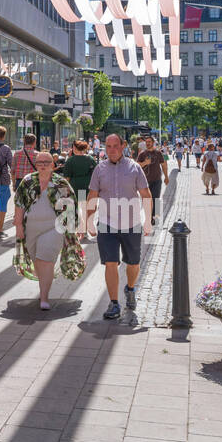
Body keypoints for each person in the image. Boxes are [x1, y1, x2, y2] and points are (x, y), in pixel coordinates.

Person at [86, 134, 152, 320]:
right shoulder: (99, 169)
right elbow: (92, 196)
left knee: (133, 264)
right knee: (111, 263)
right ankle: (114, 303)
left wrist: (148, 220)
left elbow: (145, 195)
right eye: (108, 146)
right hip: (107, 224)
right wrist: (88, 221)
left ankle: (130, 288)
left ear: (123, 146)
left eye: (115, 146)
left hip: (132, 224)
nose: (112, 149)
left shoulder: (134, 167)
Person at [15, 151, 81, 311]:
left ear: (53, 165)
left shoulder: (61, 183)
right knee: (37, 259)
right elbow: (19, 204)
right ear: (35, 165)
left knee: (46, 259)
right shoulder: (28, 181)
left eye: (46, 162)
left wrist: (72, 230)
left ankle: (44, 297)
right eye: (40, 163)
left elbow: (71, 206)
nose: (43, 165)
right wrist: (18, 226)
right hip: (31, 227)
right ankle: (43, 283)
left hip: (54, 227)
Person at [61, 140, 97, 223]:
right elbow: (95, 173)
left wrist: (65, 190)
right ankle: (85, 227)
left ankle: (78, 226)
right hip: (87, 185)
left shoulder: (70, 160)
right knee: (84, 206)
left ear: (75, 148)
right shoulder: (90, 159)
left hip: (74, 186)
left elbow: (67, 177)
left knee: (75, 207)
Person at [137, 135, 169, 227]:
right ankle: (149, 217)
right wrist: (145, 163)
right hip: (145, 181)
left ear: (153, 143)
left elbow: (163, 165)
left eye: (149, 142)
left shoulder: (158, 153)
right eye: (146, 142)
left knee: (156, 199)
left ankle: (154, 217)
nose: (147, 143)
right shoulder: (142, 154)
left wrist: (166, 177)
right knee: (146, 200)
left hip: (157, 180)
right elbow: (137, 165)